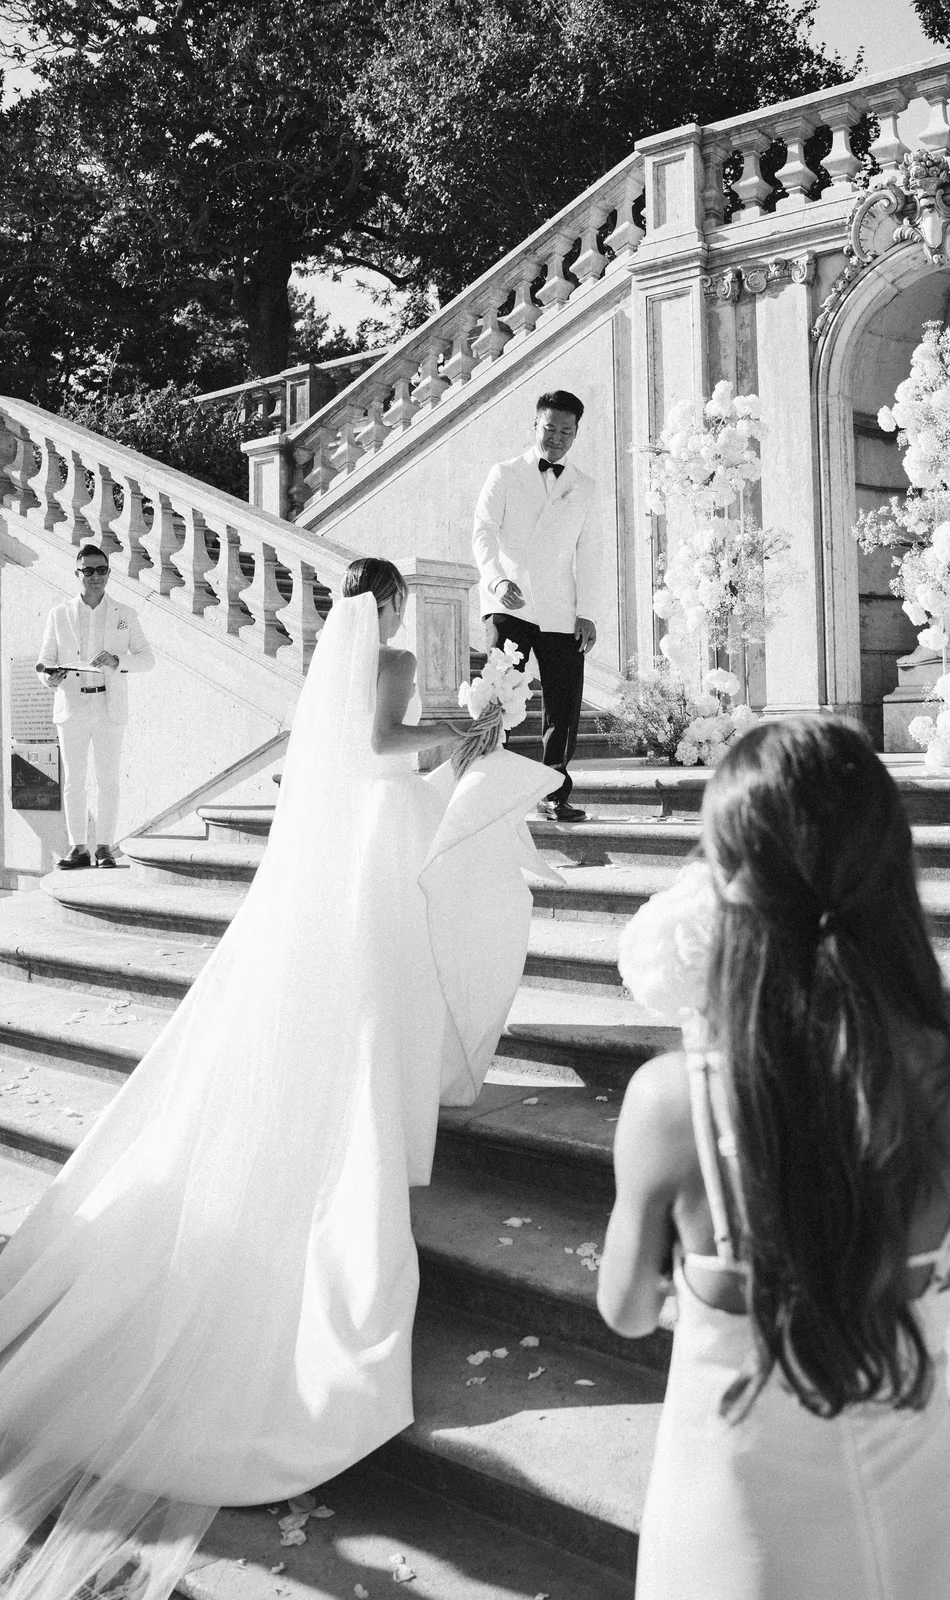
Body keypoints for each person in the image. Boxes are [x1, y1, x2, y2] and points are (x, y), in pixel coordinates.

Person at [0, 557, 560, 1600]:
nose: (400, 616)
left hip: (339, 854)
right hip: (379, 845)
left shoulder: (332, 664)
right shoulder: (393, 659)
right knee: (382, 996)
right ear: (389, 605)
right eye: (398, 603)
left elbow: (350, 755)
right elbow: (386, 749)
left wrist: (461, 731)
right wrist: (466, 737)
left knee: (351, 1002)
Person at [600, 717, 950, 1600]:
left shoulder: (676, 1102)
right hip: (922, 1514)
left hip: (738, 1530)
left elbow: (628, 1310)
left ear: (724, 881)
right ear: (893, 865)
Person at [472, 389, 601, 821]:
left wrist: (588, 612)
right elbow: (483, 531)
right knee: (497, 697)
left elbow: (591, 553)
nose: (557, 438)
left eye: (566, 431)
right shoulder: (506, 473)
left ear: (576, 433)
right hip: (510, 603)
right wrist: (497, 578)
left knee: (563, 706)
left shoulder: (585, 486)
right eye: (550, 428)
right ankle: (488, 791)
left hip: (561, 609)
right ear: (535, 426)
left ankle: (554, 794)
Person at [36, 541, 155, 868]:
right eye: (88, 570)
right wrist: (50, 678)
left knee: (108, 780)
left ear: (109, 572)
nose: (96, 576)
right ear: (77, 573)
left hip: (108, 705)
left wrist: (117, 660)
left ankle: (103, 847)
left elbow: (147, 660)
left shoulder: (124, 615)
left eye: (102, 570)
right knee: (74, 780)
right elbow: (44, 661)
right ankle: (78, 848)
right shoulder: (59, 614)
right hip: (72, 706)